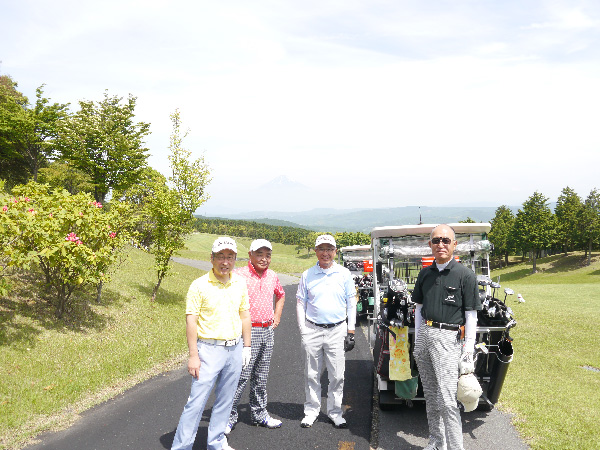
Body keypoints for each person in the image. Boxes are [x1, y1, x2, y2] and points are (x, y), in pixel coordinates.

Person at [171, 237, 252, 450]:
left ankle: (216, 442)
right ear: (212, 258)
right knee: (196, 403)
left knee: (226, 400)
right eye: (221, 257)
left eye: (230, 257)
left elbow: (245, 315)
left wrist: (247, 346)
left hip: (234, 349)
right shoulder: (199, 285)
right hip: (208, 349)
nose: (225, 262)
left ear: (235, 259)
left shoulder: (240, 282)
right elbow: (191, 320)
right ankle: (182, 446)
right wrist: (193, 355)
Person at [412, 224, 482, 450]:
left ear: (454, 244)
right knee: (431, 397)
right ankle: (436, 442)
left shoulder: (465, 275)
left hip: (448, 338)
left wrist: (468, 350)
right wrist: (417, 339)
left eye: (445, 240)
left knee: (447, 400)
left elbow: (471, 315)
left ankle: (455, 447)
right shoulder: (425, 274)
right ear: (430, 244)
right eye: (436, 241)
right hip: (425, 336)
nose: (440, 244)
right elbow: (419, 309)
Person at [296, 234, 357, 429]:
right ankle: (312, 410)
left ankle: (334, 411)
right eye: (321, 249)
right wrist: (303, 330)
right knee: (311, 374)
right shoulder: (307, 275)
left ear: (335, 252)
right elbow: (300, 304)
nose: (325, 253)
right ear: (316, 251)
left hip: (337, 330)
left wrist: (351, 331)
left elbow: (351, 303)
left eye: (329, 249)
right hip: (313, 329)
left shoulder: (344, 274)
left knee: (337, 375)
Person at [226, 239, 286, 433]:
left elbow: (281, 294)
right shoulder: (238, 275)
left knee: (261, 377)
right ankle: (228, 417)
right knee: (240, 376)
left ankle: (259, 414)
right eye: (259, 254)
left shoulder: (273, 276)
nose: (264, 259)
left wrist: (276, 316)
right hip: (246, 332)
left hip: (267, 331)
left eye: (267, 255)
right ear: (250, 254)